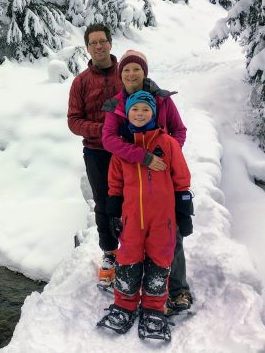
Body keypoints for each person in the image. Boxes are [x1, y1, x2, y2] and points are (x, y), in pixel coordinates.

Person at [96, 91, 194, 341]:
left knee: (160, 263)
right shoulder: (123, 149)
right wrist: (113, 211)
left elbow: (181, 179)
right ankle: (125, 305)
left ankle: (153, 308)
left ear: (153, 113)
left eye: (145, 109)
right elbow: (114, 184)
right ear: (127, 113)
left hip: (163, 220)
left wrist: (184, 212)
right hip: (131, 220)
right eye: (134, 110)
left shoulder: (168, 144)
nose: (139, 114)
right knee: (128, 261)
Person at [67, 24, 122, 283]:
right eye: (93, 43)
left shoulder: (127, 73)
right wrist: (104, 130)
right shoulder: (80, 82)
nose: (98, 46)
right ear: (87, 48)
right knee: (103, 203)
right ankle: (109, 252)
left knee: (133, 201)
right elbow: (74, 121)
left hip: (127, 151)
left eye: (103, 41)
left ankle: (135, 249)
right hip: (97, 152)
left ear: (110, 43)